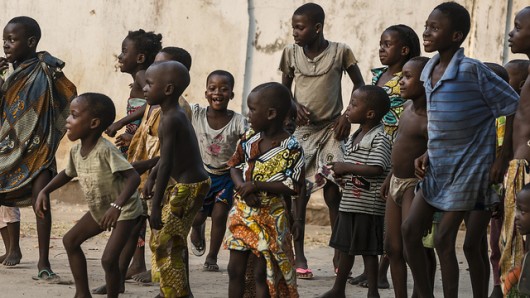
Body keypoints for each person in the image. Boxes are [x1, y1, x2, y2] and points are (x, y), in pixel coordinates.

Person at [401, 3, 519, 297]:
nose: (427, 32)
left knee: (445, 240)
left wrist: (501, 157)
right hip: (438, 167)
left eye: (435, 28)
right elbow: (441, 121)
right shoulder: (428, 68)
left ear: (455, 36)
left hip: (470, 169)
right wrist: (428, 152)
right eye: (426, 25)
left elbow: (513, 105)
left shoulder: (471, 70)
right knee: (410, 231)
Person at [279, 2, 365, 271]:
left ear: (317, 28)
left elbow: (360, 87)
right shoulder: (291, 53)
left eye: (300, 27)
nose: (295, 32)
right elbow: (284, 92)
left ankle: (339, 252)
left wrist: (347, 116)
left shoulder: (341, 52)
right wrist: (294, 107)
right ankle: (299, 254)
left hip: (332, 128)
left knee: (333, 190)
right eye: (293, 27)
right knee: (298, 191)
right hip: (303, 130)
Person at [35, 92, 143, 297]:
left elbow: (133, 178)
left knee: (109, 259)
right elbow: (67, 174)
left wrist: (117, 206)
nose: (67, 120)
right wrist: (44, 190)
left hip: (125, 210)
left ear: (93, 123)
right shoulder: (76, 151)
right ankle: (82, 293)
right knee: (70, 241)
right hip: (101, 209)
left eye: (74, 115)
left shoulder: (106, 150)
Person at [0, 16, 77, 280]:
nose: (6, 46)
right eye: (4, 41)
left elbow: (70, 95)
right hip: (9, 148)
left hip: (40, 149)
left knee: (40, 201)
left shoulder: (46, 68)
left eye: (12, 40)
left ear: (31, 42)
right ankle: (13, 248)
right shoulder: (9, 74)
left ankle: (44, 262)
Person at [350, 24, 421, 289]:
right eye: (380, 43)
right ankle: (373, 270)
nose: (381, 48)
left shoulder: (410, 77)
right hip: (374, 145)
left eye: (387, 44)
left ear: (403, 50)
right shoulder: (378, 76)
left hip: (396, 151)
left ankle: (380, 271)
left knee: (387, 214)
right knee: (376, 212)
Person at [123, 46, 194, 285]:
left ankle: (169, 280)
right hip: (148, 172)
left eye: (157, 70)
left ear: (169, 85)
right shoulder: (157, 103)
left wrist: (150, 174)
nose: (148, 78)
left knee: (164, 232)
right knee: (137, 222)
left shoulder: (175, 112)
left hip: (168, 179)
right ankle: (130, 270)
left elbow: (168, 157)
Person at [225, 82, 304, 298]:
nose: (248, 114)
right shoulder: (250, 137)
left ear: (270, 113)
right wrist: (243, 187)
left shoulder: (291, 147)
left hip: (271, 217)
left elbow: (294, 185)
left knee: (263, 273)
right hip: (242, 212)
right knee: (235, 269)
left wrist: (257, 185)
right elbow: (234, 164)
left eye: (252, 109)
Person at [142, 61, 211, 298]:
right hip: (190, 185)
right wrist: (152, 175)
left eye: (149, 84)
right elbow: (167, 156)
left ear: (168, 89)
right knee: (173, 240)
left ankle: (174, 293)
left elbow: (168, 163)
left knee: (166, 243)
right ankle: (175, 291)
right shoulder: (170, 114)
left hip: (188, 188)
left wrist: (155, 207)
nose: (144, 88)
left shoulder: (171, 118)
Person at [320, 85, 391, 298]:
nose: (348, 109)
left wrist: (346, 168)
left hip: (368, 206)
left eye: (353, 104)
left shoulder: (380, 138)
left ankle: (373, 292)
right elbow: (355, 166)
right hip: (350, 202)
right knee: (345, 249)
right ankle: (338, 289)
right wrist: (342, 176)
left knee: (368, 251)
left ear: (369, 113)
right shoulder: (355, 136)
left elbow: (377, 168)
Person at [377, 56, 433, 298]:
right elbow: (401, 145)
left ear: (426, 82)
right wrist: (391, 174)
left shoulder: (429, 118)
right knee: (392, 247)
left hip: (414, 184)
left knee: (412, 245)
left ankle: (422, 293)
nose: (401, 81)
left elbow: (438, 148)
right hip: (397, 182)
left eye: (408, 77)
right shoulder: (407, 109)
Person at [188, 70, 247, 272]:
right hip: (202, 174)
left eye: (224, 89)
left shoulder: (238, 121)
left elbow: (250, 141)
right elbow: (175, 102)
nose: (217, 93)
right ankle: (197, 227)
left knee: (220, 215)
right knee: (197, 216)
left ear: (231, 94)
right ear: (206, 93)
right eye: (212, 88)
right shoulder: (196, 114)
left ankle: (212, 257)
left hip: (226, 177)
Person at [485, 61, 525, 298]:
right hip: (494, 184)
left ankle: (513, 285)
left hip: (512, 181)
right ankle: (498, 284)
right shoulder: (490, 112)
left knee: (514, 238)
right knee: (496, 240)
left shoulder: (518, 114)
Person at [500, 7, 530, 295]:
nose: (512, 33)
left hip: (525, 169)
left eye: (518, 27)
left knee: (519, 243)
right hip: (518, 166)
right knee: (511, 241)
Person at [104, 29, 162, 155]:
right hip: (134, 139)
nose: (119, 56)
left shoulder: (141, 75)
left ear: (140, 58)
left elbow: (153, 104)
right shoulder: (141, 79)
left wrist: (120, 123)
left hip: (137, 140)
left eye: (124, 51)